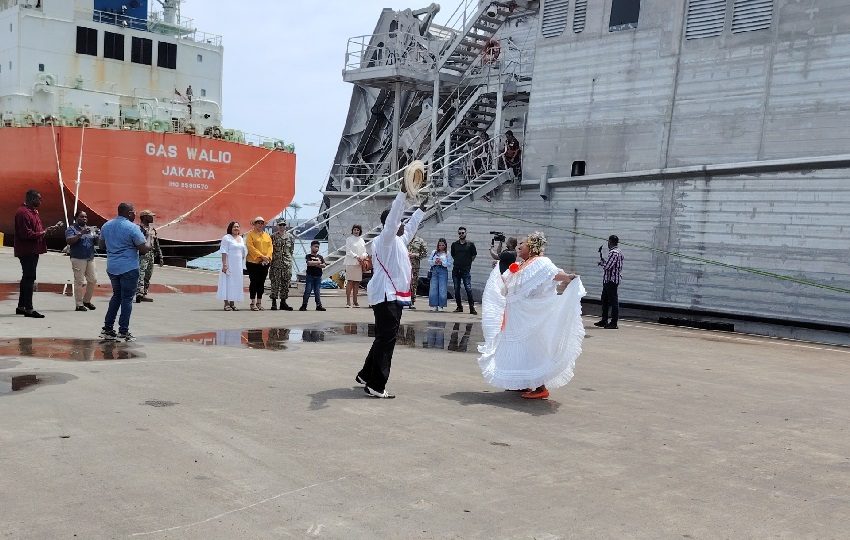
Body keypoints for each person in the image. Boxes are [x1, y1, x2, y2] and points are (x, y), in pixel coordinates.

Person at [477, 231, 585, 400]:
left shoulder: (541, 262)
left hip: (531, 317)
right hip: (517, 316)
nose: (519, 246)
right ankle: (523, 382)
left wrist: (568, 277)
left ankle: (540, 387)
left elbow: (553, 274)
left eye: (523, 244)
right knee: (520, 349)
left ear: (533, 246)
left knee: (532, 348)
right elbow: (510, 283)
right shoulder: (522, 264)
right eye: (519, 244)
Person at [355, 188, 428, 399]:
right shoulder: (385, 239)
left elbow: (411, 227)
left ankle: (365, 375)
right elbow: (395, 215)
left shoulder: (398, 241)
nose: (403, 225)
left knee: (382, 338)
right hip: (387, 297)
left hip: (390, 296)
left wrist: (421, 209)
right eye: (399, 222)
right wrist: (403, 194)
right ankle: (376, 385)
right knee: (387, 341)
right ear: (392, 224)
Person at [99, 202, 149, 341]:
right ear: (128, 213)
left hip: (112, 268)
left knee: (116, 296)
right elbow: (143, 249)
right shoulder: (132, 228)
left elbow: (101, 245)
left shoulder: (106, 225)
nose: (135, 215)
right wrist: (149, 239)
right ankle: (123, 331)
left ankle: (107, 329)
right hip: (129, 268)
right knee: (127, 300)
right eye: (134, 212)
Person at [14, 189, 62, 318]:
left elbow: (36, 230)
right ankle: (29, 308)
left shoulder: (32, 212)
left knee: (27, 277)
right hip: (27, 250)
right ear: (31, 199)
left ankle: (21, 306)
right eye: (38, 199)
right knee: (29, 278)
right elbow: (25, 234)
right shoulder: (23, 213)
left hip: (32, 249)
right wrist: (43, 233)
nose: (40, 201)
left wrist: (46, 231)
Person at [65, 210, 99, 312]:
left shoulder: (89, 229)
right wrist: (80, 234)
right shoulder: (71, 229)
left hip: (90, 258)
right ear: (76, 218)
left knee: (93, 279)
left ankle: (86, 301)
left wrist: (97, 235)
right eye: (82, 217)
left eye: (85, 217)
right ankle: (79, 304)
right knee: (79, 281)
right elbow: (69, 241)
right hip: (78, 258)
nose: (84, 218)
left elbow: (96, 243)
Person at [595, 234, 624, 330]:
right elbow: (611, 265)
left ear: (610, 242)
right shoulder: (618, 252)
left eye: (608, 241)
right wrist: (604, 262)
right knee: (605, 300)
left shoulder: (613, 253)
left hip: (611, 280)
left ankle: (613, 323)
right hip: (610, 280)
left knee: (613, 302)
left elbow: (608, 267)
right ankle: (604, 320)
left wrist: (602, 263)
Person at [217, 221, 247, 311]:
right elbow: (223, 251)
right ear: (230, 228)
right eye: (234, 227)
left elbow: (243, 251)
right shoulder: (226, 238)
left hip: (238, 266)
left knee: (235, 283)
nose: (236, 228)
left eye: (238, 226)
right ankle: (226, 303)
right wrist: (225, 265)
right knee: (227, 283)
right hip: (229, 264)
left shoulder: (241, 238)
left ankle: (232, 303)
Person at [245, 216, 272, 310]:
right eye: (258, 223)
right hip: (253, 262)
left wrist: (267, 257)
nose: (260, 225)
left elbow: (270, 247)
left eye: (261, 223)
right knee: (254, 282)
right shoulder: (250, 235)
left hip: (265, 262)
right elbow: (250, 247)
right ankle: (252, 302)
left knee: (261, 282)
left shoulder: (267, 235)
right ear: (254, 224)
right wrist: (261, 256)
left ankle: (259, 302)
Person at [135, 210, 163, 303]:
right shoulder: (138, 229)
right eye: (150, 216)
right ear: (145, 217)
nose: (152, 218)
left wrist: (160, 256)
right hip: (142, 253)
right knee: (141, 273)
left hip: (151, 254)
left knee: (148, 274)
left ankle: (144, 293)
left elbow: (156, 243)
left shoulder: (152, 229)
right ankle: (139, 293)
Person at [450, 226, 477, 314]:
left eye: (462, 233)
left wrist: (467, 263)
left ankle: (471, 308)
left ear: (466, 233)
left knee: (468, 288)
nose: (461, 234)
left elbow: (473, 256)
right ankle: (459, 307)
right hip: (456, 270)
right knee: (456, 288)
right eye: (459, 233)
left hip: (465, 270)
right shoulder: (454, 244)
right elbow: (453, 255)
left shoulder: (470, 244)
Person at [269, 220, 295, 311]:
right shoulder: (272, 237)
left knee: (285, 283)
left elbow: (291, 250)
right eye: (280, 225)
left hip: (286, 264)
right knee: (275, 283)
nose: (282, 226)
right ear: (277, 226)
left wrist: (288, 260)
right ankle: (274, 303)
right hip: (276, 263)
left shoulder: (290, 237)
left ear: (286, 226)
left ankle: (283, 302)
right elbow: (270, 250)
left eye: (283, 225)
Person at [343, 224, 369, 308]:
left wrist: (363, 256)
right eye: (354, 230)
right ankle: (348, 301)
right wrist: (356, 256)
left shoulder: (362, 240)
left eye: (357, 230)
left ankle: (355, 301)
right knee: (350, 282)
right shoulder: (349, 239)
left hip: (359, 264)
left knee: (357, 282)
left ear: (360, 231)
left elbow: (365, 251)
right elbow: (348, 251)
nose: (356, 231)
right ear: (352, 230)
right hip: (350, 263)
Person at [299, 240, 326, 311]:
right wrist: (318, 263)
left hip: (318, 276)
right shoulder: (308, 256)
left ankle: (319, 305)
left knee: (317, 291)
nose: (316, 248)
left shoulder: (320, 256)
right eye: (315, 247)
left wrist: (316, 264)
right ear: (311, 247)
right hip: (310, 276)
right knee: (307, 291)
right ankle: (304, 305)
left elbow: (323, 265)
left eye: (318, 247)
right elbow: (309, 263)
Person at [428, 238, 452, 311]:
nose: (441, 246)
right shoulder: (434, 252)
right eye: (439, 245)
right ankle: (434, 305)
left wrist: (442, 263)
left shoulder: (447, 253)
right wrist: (434, 262)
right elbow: (429, 261)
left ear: (445, 246)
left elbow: (450, 263)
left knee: (442, 288)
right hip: (435, 269)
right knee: (433, 288)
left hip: (443, 270)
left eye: (442, 245)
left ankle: (441, 305)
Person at [407, 235, 427, 309]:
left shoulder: (420, 241)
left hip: (414, 265)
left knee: (413, 283)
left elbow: (424, 253)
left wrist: (415, 255)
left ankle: (411, 301)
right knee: (404, 282)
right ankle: (403, 299)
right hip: (404, 264)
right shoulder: (405, 238)